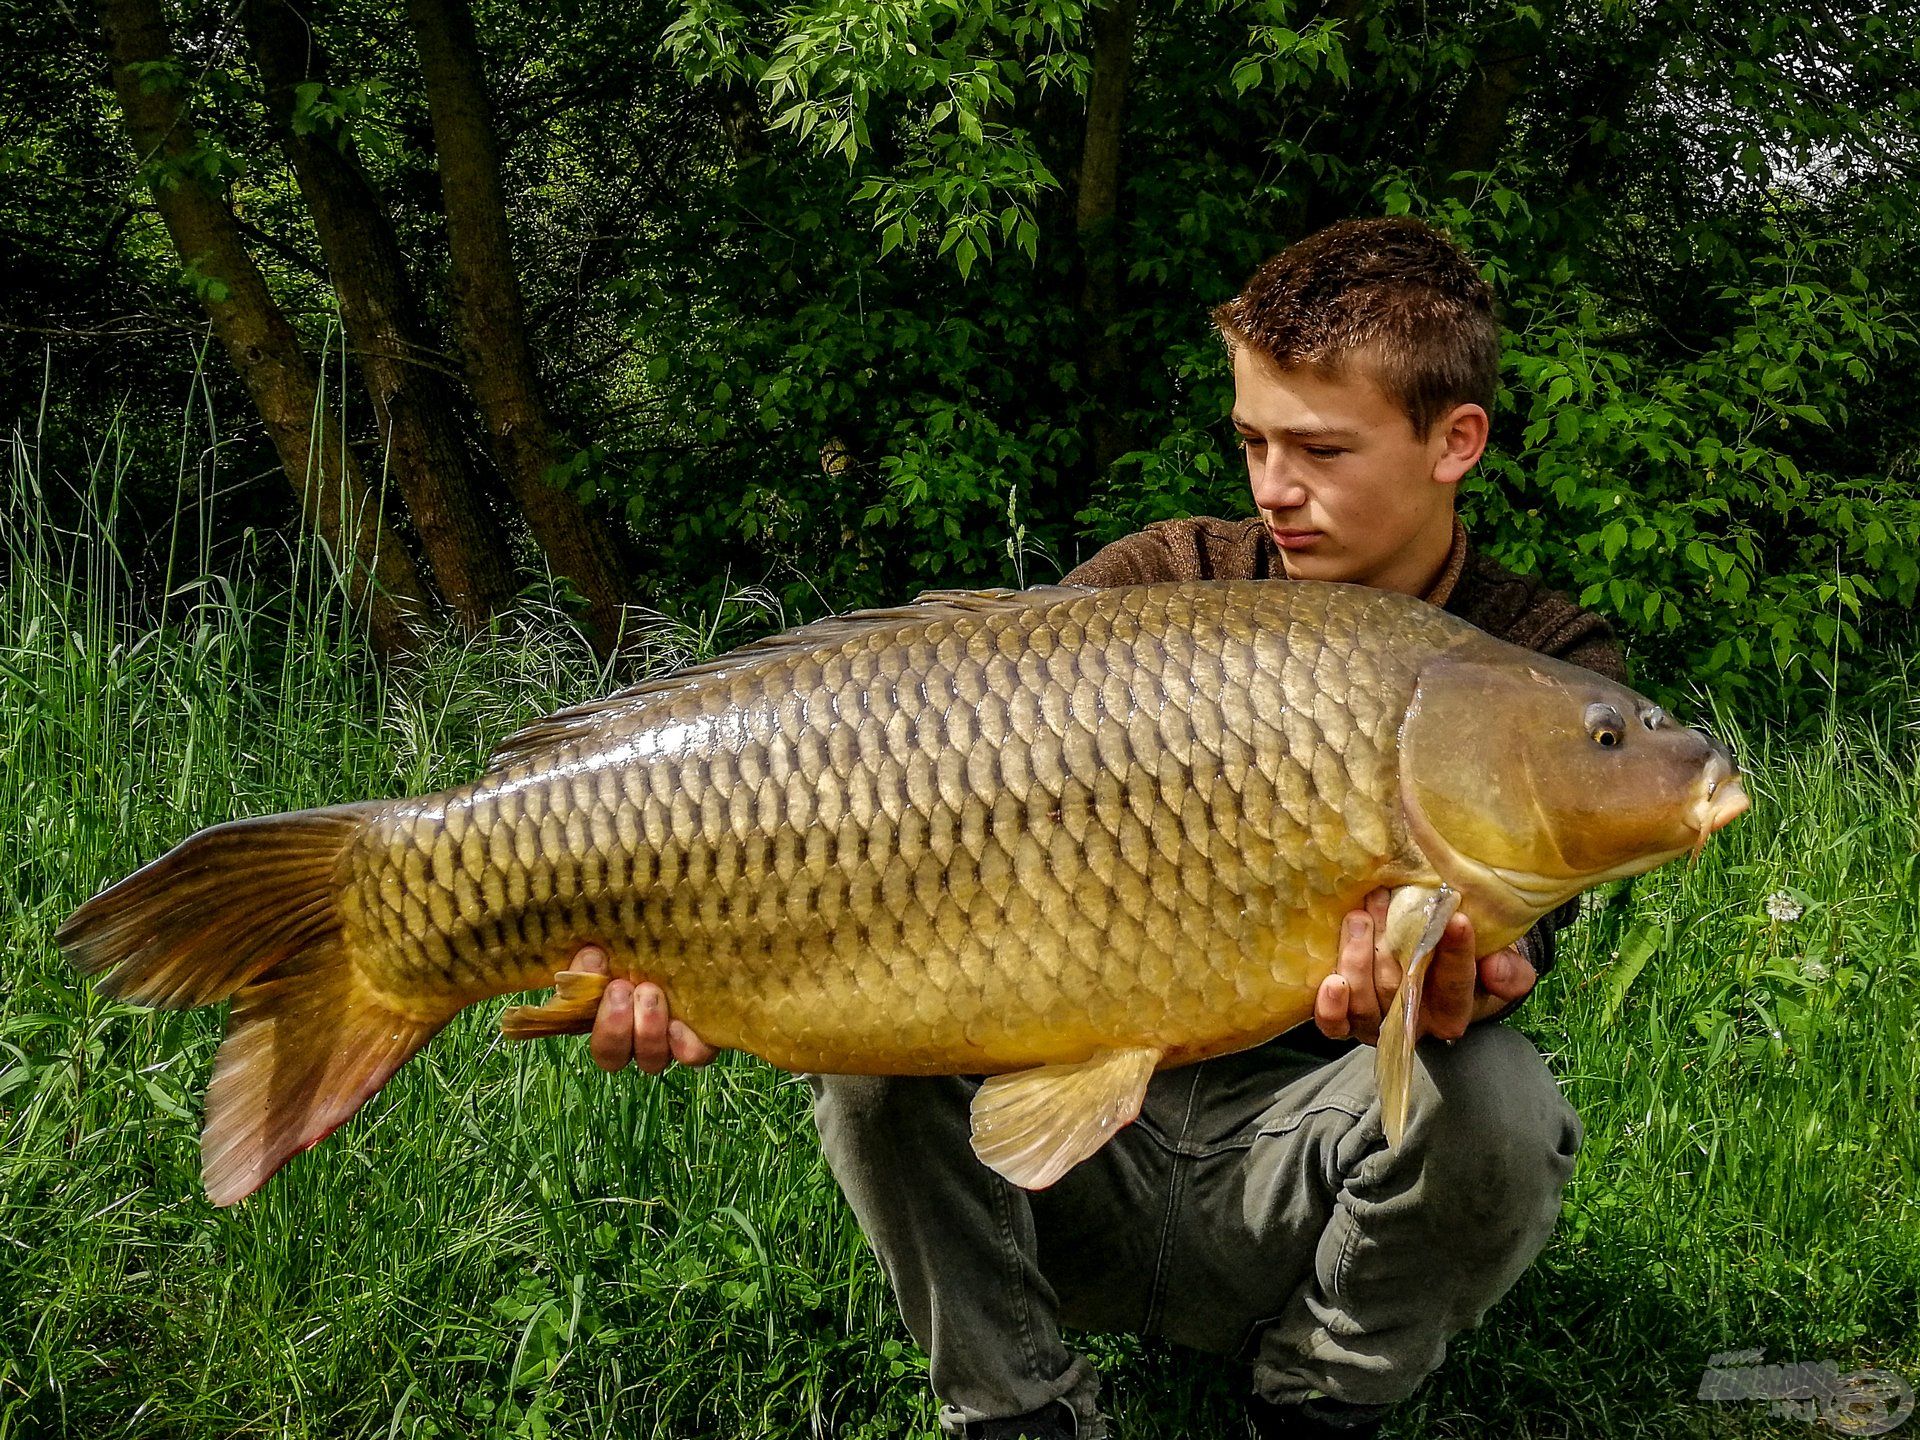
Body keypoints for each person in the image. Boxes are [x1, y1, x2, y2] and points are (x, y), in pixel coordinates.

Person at [566, 216, 1624, 1439]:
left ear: (1457, 441)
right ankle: (1021, 1414)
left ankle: (1314, 1402)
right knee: (869, 1062)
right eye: (1252, 441)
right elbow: (925, 795)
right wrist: (700, 952)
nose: (1275, 490)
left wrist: (1461, 981)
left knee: (1498, 1100)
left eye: (1321, 450)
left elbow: (1510, 954)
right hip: (1072, 1166)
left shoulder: (1539, 664)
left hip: (1307, 1174)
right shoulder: (1159, 583)